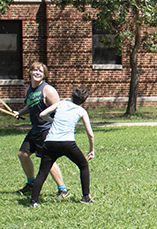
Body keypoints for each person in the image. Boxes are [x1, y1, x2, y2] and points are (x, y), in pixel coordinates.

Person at [28, 87, 96, 207]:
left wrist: (52, 121)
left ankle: (33, 201)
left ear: (71, 96)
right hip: (67, 143)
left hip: (50, 142)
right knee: (83, 165)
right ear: (84, 100)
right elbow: (90, 134)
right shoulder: (82, 111)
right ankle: (86, 196)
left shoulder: (61, 103)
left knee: (42, 172)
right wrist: (91, 150)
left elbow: (42, 114)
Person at [13, 62, 68, 197]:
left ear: (44, 75)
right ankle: (31, 183)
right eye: (35, 70)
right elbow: (30, 106)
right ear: (30, 72)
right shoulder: (29, 90)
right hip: (35, 129)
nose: (37, 73)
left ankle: (63, 189)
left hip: (47, 130)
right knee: (23, 155)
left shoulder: (47, 89)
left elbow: (59, 107)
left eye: (41, 72)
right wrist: (20, 113)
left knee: (47, 160)